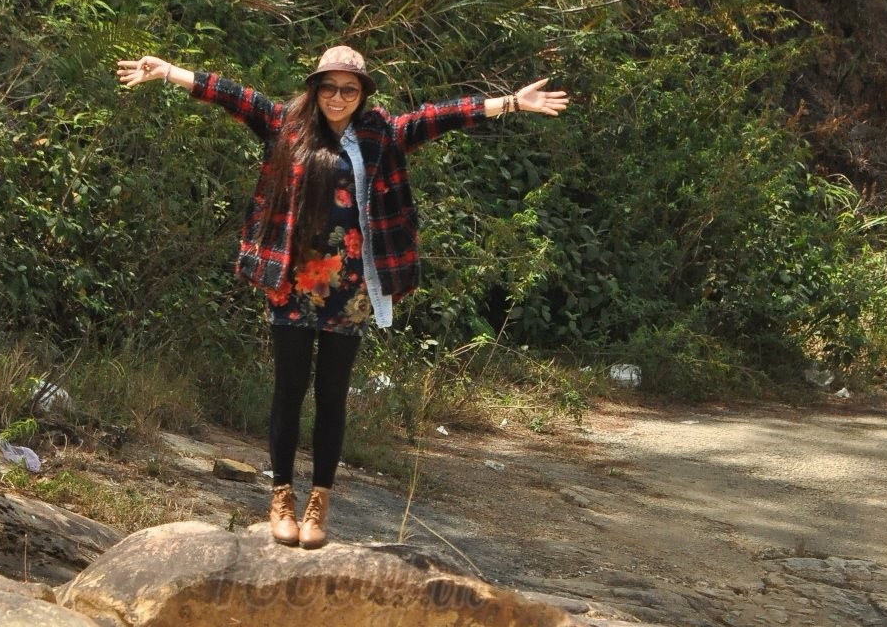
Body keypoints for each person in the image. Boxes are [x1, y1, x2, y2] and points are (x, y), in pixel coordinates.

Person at [115, 45, 568, 547]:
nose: (337, 97)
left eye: (348, 90)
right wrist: (168, 72)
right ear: (315, 89)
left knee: (332, 394)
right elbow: (232, 95)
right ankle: (281, 496)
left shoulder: (380, 134)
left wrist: (512, 102)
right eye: (328, 87)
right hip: (292, 281)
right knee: (288, 390)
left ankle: (319, 503)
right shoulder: (286, 125)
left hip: (351, 286)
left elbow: (439, 117)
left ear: (362, 94)